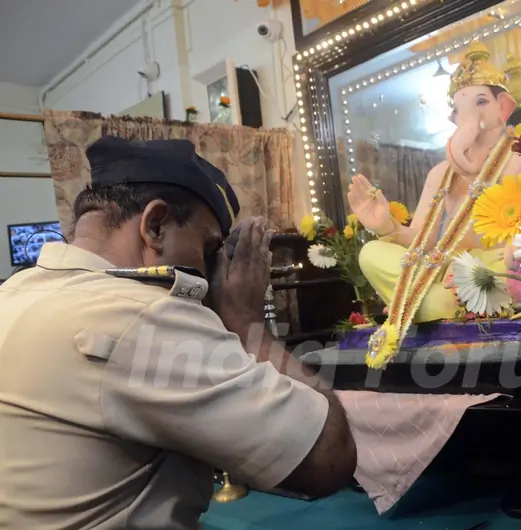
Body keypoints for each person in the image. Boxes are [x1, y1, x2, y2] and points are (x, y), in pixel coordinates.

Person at [0, 136, 356, 529]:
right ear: (155, 226)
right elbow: (329, 455)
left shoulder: (13, 293)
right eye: (207, 248)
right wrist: (246, 324)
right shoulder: (141, 315)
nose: (210, 270)